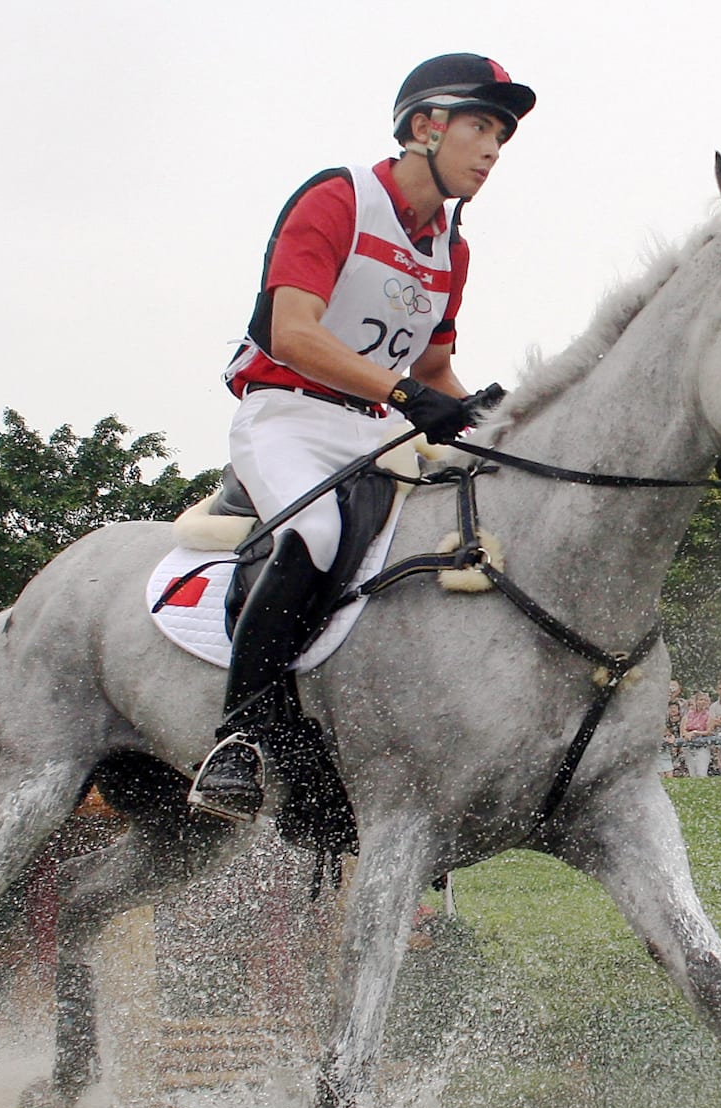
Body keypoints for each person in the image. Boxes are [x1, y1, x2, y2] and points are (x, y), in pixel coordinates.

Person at [189, 53, 536, 821]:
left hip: (371, 430)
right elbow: (293, 332)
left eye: (502, 138)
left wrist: (499, 428)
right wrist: (407, 394)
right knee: (313, 533)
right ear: (424, 126)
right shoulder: (338, 196)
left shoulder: (451, 246)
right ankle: (241, 736)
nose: (491, 151)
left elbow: (436, 367)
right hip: (287, 413)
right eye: (481, 126)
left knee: (436, 544)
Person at [681, 691, 713, 778]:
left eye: (705, 700)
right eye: (700, 700)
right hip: (689, 745)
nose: (703, 702)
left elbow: (709, 731)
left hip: (702, 745)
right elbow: (683, 729)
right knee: (692, 772)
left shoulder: (709, 715)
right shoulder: (689, 714)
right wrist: (686, 734)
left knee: (701, 772)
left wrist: (695, 733)